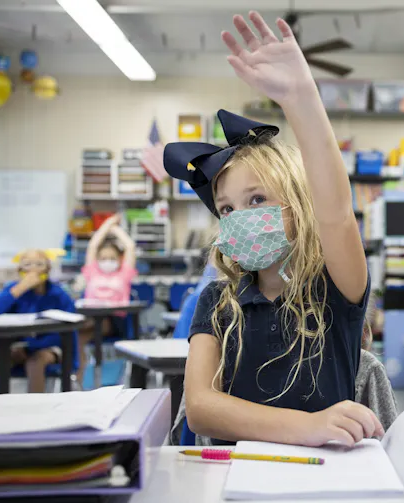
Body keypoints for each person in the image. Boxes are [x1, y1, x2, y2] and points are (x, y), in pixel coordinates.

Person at [163, 12, 382, 447]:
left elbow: (337, 212)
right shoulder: (217, 300)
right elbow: (201, 408)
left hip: (327, 478)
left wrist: (301, 99)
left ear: (299, 206)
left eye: (257, 199)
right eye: (226, 209)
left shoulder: (334, 288)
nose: (239, 217)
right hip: (239, 476)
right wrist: (309, 427)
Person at [0, 249, 78, 394]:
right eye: (28, 264)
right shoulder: (13, 290)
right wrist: (20, 287)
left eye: (39, 264)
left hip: (49, 347)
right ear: (20, 270)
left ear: (48, 269)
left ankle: (35, 410)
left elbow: (68, 326)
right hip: (16, 346)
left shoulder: (59, 295)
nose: (34, 269)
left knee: (36, 362)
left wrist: (31, 347)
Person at [78, 213, 137, 382]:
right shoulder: (92, 272)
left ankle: (82, 377)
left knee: (82, 332)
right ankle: (81, 376)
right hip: (90, 318)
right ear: (97, 260)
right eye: (103, 258)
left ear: (120, 260)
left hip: (113, 321)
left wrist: (115, 229)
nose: (107, 261)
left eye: (112, 258)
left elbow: (130, 246)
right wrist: (107, 225)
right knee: (78, 334)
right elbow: (93, 245)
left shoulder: (124, 274)